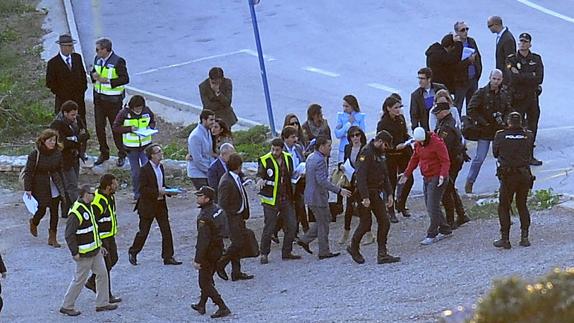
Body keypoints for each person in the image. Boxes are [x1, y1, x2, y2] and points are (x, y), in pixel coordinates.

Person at [60, 185, 118, 316]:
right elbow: (69, 234)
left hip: (95, 250)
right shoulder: (76, 212)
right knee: (79, 280)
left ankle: (102, 303)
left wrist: (100, 245)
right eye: (92, 194)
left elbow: (94, 229)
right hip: (84, 254)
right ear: (86, 194)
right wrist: (74, 252)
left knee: (102, 274)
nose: (94, 195)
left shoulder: (89, 207)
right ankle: (67, 305)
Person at [347, 131, 400, 264]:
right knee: (365, 223)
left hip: (376, 192)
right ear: (380, 142)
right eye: (385, 145)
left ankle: (382, 254)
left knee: (384, 221)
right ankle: (353, 247)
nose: (386, 149)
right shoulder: (367, 153)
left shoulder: (380, 154)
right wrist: (364, 197)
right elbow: (360, 176)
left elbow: (385, 174)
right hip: (364, 193)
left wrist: (389, 193)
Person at [296, 136, 351, 260]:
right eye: (328, 146)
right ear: (321, 146)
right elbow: (322, 181)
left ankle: (305, 240)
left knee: (324, 220)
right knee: (324, 224)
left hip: (311, 196)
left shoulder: (311, 157)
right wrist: (339, 190)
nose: (330, 148)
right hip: (318, 197)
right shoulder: (320, 160)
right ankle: (323, 251)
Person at [128, 144, 182, 266]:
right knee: (144, 232)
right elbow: (143, 190)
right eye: (158, 151)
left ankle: (168, 257)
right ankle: (133, 251)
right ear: (151, 155)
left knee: (166, 230)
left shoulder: (160, 167)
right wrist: (159, 191)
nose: (160, 153)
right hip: (147, 205)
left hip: (160, 204)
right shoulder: (144, 169)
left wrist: (170, 191)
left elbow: (161, 185)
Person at [400, 127, 452, 245]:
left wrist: (442, 176)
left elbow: (445, 161)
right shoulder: (418, 144)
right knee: (431, 206)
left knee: (432, 206)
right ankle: (445, 229)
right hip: (427, 177)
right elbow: (415, 158)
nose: (422, 143)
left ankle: (432, 233)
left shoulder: (437, 143)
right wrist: (407, 174)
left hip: (437, 177)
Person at [464, 69, 512, 194]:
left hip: (499, 130)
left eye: (498, 79)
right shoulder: (481, 93)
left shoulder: (504, 93)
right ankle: (470, 182)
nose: (496, 81)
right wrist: (483, 121)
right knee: (479, 158)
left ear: (502, 80)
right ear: (490, 78)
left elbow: (508, 109)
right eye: (494, 79)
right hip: (484, 130)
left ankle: (504, 185)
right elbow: (471, 109)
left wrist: (505, 120)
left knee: (503, 159)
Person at [492, 112, 535, 249]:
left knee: (504, 206)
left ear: (508, 122)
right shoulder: (528, 135)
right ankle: (525, 237)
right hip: (523, 174)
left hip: (508, 176)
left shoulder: (500, 135)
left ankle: (505, 239)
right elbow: (529, 151)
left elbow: (495, 153)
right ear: (521, 122)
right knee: (522, 204)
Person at [257, 138, 301, 264]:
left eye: (277, 150)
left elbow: (291, 174)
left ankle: (287, 251)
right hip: (270, 199)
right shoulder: (265, 160)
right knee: (269, 227)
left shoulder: (287, 158)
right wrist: (259, 179)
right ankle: (264, 253)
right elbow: (260, 173)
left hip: (285, 197)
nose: (274, 152)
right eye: (273, 149)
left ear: (282, 149)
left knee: (292, 225)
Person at [191, 186, 231, 319]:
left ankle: (222, 306)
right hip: (218, 248)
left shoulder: (204, 217)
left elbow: (203, 240)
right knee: (207, 278)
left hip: (209, 252)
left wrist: (197, 259)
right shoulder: (218, 209)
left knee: (204, 282)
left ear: (207, 198)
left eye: (200, 196)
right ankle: (201, 304)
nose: (197, 197)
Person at [505, 32, 544, 166]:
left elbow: (539, 78)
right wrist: (530, 76)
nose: (522, 43)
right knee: (516, 127)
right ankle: (515, 156)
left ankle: (529, 156)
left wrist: (521, 75)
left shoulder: (536, 59)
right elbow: (512, 78)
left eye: (525, 41)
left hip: (532, 98)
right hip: (518, 99)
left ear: (529, 44)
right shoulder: (511, 59)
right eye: (521, 41)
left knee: (532, 128)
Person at [90, 38, 129, 167]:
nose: (96, 52)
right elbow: (95, 72)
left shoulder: (118, 61)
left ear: (105, 49)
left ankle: (122, 153)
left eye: (98, 49)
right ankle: (104, 152)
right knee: (99, 127)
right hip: (99, 99)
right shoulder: (97, 59)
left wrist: (108, 81)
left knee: (116, 128)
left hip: (113, 101)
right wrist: (93, 75)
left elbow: (125, 79)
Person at [24, 129, 66, 247]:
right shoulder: (35, 154)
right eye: (50, 140)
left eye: (54, 140)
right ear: (43, 141)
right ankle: (34, 221)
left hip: (55, 184)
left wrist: (63, 184)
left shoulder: (57, 153)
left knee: (54, 212)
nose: (53, 143)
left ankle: (52, 238)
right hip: (40, 185)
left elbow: (60, 168)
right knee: (41, 209)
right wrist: (28, 188)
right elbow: (29, 172)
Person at [216, 153, 254, 281]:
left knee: (238, 243)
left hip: (238, 216)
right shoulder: (226, 182)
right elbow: (222, 204)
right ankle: (221, 264)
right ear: (239, 166)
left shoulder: (234, 177)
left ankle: (236, 272)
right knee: (237, 243)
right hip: (231, 218)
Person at [84, 174, 121, 303]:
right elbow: (93, 222)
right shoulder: (98, 201)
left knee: (113, 259)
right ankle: (106, 295)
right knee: (105, 266)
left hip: (109, 236)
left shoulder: (109, 197)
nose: (116, 186)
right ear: (108, 186)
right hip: (103, 238)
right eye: (114, 184)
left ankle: (92, 282)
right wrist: (99, 242)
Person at [432, 102, 470, 229]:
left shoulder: (447, 127)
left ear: (445, 111)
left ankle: (450, 220)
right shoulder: (445, 122)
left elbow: (444, 148)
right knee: (450, 187)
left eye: (438, 113)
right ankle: (461, 214)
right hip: (454, 159)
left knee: (446, 190)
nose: (436, 116)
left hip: (451, 161)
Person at [50, 100, 89, 216]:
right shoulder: (57, 124)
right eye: (72, 114)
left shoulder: (77, 120)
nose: (74, 117)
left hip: (75, 157)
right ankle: (81, 209)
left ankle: (66, 210)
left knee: (72, 183)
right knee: (71, 185)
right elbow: (61, 143)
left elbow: (86, 134)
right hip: (64, 160)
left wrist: (74, 139)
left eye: (75, 114)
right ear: (65, 113)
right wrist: (77, 139)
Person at [113, 95, 156, 200]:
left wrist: (151, 127)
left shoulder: (147, 111)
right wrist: (129, 129)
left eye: (140, 108)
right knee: (136, 172)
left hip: (146, 146)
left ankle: (150, 192)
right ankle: (137, 194)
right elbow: (116, 127)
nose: (138, 110)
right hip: (131, 148)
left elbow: (152, 121)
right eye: (136, 108)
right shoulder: (124, 113)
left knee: (148, 170)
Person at [377, 96, 414, 220]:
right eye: (395, 108)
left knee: (409, 179)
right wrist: (393, 147)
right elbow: (381, 142)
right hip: (390, 155)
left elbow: (403, 133)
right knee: (390, 183)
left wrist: (409, 140)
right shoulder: (383, 123)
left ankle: (401, 204)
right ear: (388, 109)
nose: (398, 110)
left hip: (403, 153)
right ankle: (390, 209)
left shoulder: (401, 119)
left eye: (399, 107)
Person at [46, 34, 88, 126]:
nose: (71, 48)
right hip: (63, 101)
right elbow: (50, 83)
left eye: (72, 45)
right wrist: (62, 93)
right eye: (69, 46)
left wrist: (82, 90)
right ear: (62, 46)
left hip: (78, 100)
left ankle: (82, 139)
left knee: (81, 123)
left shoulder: (77, 58)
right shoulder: (53, 63)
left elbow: (83, 75)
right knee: (64, 125)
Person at [337, 126, 367, 245]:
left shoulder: (364, 149)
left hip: (360, 181)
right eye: (352, 136)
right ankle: (346, 232)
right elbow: (346, 160)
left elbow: (364, 163)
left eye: (357, 135)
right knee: (349, 208)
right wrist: (342, 166)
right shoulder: (348, 148)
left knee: (363, 207)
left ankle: (368, 233)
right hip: (350, 181)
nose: (355, 138)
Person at [279, 125, 308, 234]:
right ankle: (278, 229)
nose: (295, 139)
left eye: (295, 137)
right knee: (290, 207)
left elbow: (303, 161)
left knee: (300, 204)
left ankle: (303, 229)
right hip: (287, 184)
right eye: (292, 137)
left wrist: (303, 170)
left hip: (299, 181)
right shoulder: (282, 151)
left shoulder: (298, 148)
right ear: (285, 138)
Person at [453, 21, 482, 116]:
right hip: (461, 81)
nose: (465, 32)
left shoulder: (471, 41)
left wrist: (478, 73)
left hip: (473, 78)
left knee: (472, 105)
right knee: (458, 106)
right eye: (462, 30)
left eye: (466, 29)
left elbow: (478, 57)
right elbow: (454, 65)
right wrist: (468, 61)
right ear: (457, 32)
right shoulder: (455, 45)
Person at [187, 109, 216, 190]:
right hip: (197, 173)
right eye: (211, 120)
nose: (213, 122)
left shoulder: (207, 131)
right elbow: (197, 160)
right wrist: (210, 171)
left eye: (214, 119)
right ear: (204, 120)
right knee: (205, 199)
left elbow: (209, 153)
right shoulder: (195, 136)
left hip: (206, 171)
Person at [334, 95, 366, 163]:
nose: (344, 109)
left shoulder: (360, 117)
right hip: (343, 150)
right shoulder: (340, 116)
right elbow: (338, 134)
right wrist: (348, 124)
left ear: (353, 106)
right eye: (343, 106)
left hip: (357, 148)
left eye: (347, 106)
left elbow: (362, 132)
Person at [487, 16, 516, 84]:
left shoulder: (507, 39)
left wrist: (505, 79)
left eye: (490, 26)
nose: (489, 28)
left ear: (496, 24)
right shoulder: (501, 36)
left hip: (504, 78)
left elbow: (509, 60)